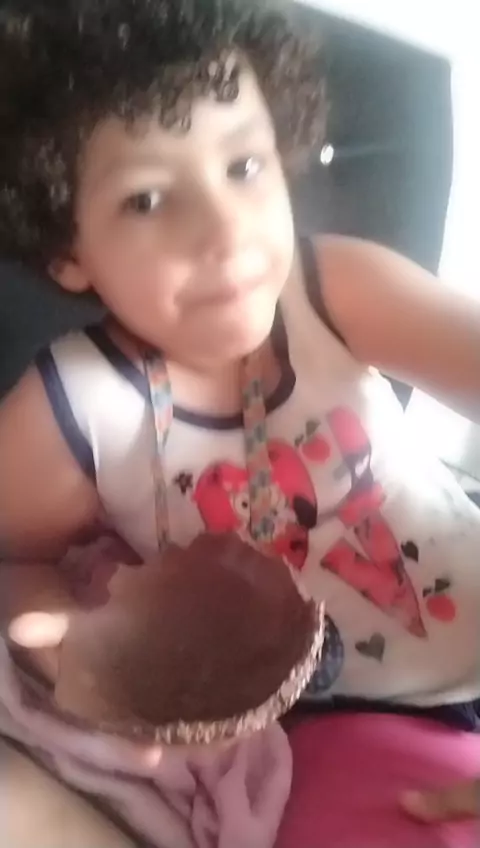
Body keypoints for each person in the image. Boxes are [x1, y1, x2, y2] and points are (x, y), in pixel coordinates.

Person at [0, 0, 479, 845]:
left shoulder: (335, 290)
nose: (225, 233)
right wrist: (74, 650)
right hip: (357, 718)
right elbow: (16, 558)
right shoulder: (72, 409)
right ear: (67, 248)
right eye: (148, 199)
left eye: (245, 166)